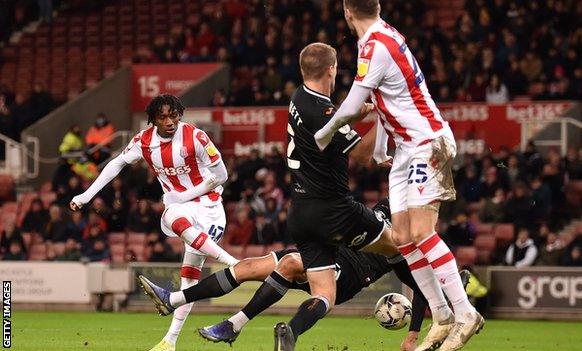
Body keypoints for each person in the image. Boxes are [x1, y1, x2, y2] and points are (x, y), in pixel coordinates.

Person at [313, 2, 482, 350]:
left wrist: (323, 133)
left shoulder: (375, 44)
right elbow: (380, 99)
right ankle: (442, 315)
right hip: (406, 148)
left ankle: (465, 313)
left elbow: (352, 105)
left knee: (421, 231)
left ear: (347, 11)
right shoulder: (380, 38)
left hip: (426, 141)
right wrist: (379, 150)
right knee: (403, 237)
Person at [137, 200, 469, 349]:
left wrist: (412, 334)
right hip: (326, 246)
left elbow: (422, 290)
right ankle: (175, 299)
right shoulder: (388, 206)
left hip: (352, 270)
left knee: (291, 265)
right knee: (250, 266)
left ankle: (246, 327)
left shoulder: (408, 249)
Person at [271, 41, 426, 351]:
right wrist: (382, 117)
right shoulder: (320, 109)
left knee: (320, 290)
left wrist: (366, 110)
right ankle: (449, 296)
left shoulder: (300, 99)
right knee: (402, 248)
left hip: (313, 223)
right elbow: (362, 155)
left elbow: (332, 121)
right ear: (332, 69)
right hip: (337, 218)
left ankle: (282, 330)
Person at [70, 94, 238, 351]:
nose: (170, 121)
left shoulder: (196, 137)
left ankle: (233, 266)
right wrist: (86, 195)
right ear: (153, 120)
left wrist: (183, 195)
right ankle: (171, 340)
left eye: (174, 115)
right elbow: (116, 164)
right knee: (173, 224)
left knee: (188, 278)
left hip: (210, 207)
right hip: (181, 209)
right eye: (163, 117)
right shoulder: (143, 141)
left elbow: (222, 175)